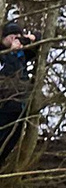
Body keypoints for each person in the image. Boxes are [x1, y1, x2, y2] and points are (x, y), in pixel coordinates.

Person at [0, 23, 34, 166]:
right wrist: (13, 53)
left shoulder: (20, 54)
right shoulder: (3, 55)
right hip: (4, 105)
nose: (15, 39)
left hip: (19, 108)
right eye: (12, 36)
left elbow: (39, 39)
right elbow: (8, 74)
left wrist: (30, 38)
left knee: (10, 141)